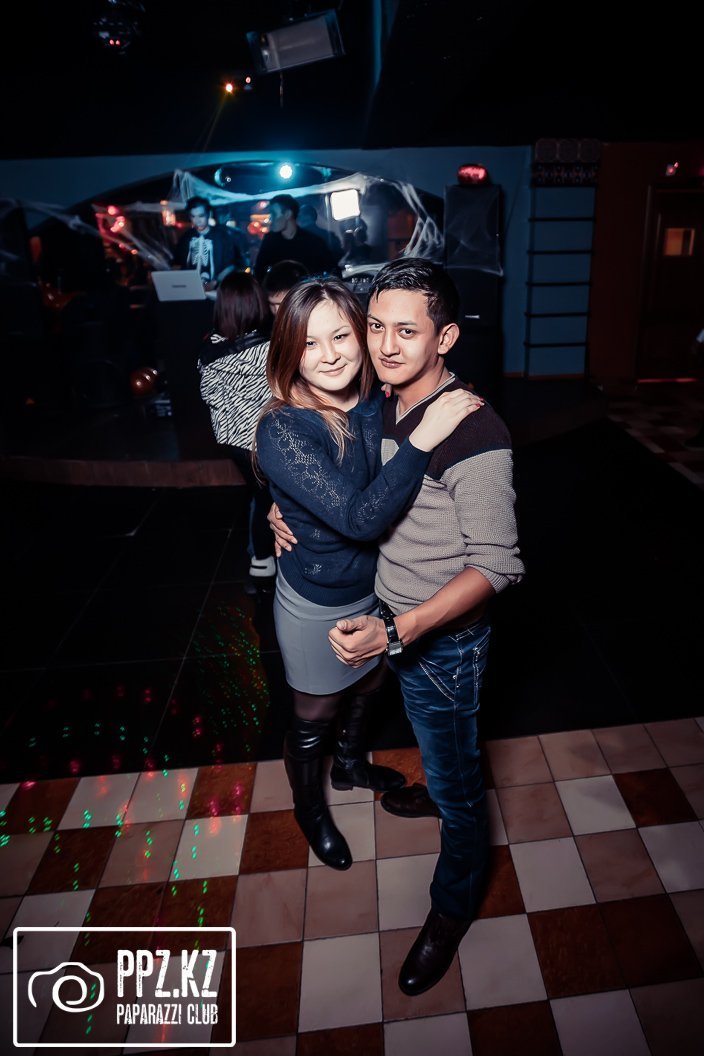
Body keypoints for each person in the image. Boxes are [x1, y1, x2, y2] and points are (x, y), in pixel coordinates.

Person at [273, 259, 524, 996]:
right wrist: (279, 508)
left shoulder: (473, 432)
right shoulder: (381, 403)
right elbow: (335, 479)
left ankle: (452, 909)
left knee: (459, 786)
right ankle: (430, 789)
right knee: (422, 747)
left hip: (441, 642)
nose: (384, 346)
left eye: (406, 331)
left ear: (444, 338)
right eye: (376, 326)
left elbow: (499, 565)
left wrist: (401, 628)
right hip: (390, 614)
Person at [254, 276, 482, 872]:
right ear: (289, 350)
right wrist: (422, 440)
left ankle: (351, 766)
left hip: (378, 590)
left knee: (369, 684)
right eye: (309, 343)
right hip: (318, 599)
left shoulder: (375, 402)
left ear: (362, 337)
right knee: (314, 714)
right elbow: (359, 518)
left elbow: (426, 353)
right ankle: (310, 809)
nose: (328, 355)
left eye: (341, 336)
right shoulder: (284, 426)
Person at [198, 272, 276, 582]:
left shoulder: (209, 349)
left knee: (260, 495)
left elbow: (209, 395)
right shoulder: (270, 350)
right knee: (270, 498)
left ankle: (259, 555)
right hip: (264, 440)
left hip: (231, 441)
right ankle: (265, 557)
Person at [253, 194, 339, 282]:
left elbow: (333, 271)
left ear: (288, 214)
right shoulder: (270, 241)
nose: (271, 219)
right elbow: (259, 272)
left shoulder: (313, 242)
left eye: (274, 214)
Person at [174, 196, 244, 292]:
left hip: (216, 291)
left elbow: (231, 265)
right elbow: (177, 264)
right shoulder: (186, 237)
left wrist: (214, 282)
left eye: (201, 216)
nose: (197, 221)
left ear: (209, 214)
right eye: (193, 216)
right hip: (189, 290)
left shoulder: (222, 237)